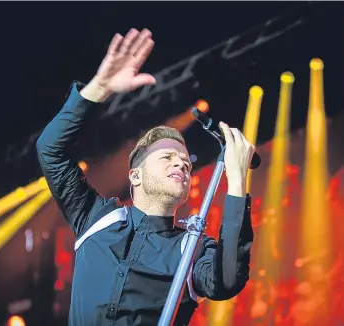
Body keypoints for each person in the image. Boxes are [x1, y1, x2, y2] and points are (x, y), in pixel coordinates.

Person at [37, 28, 254, 326]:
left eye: (185, 164)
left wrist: (239, 182)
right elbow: (51, 150)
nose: (180, 164)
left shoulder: (192, 247)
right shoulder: (97, 218)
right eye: (167, 157)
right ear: (135, 176)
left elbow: (227, 280)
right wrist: (98, 87)